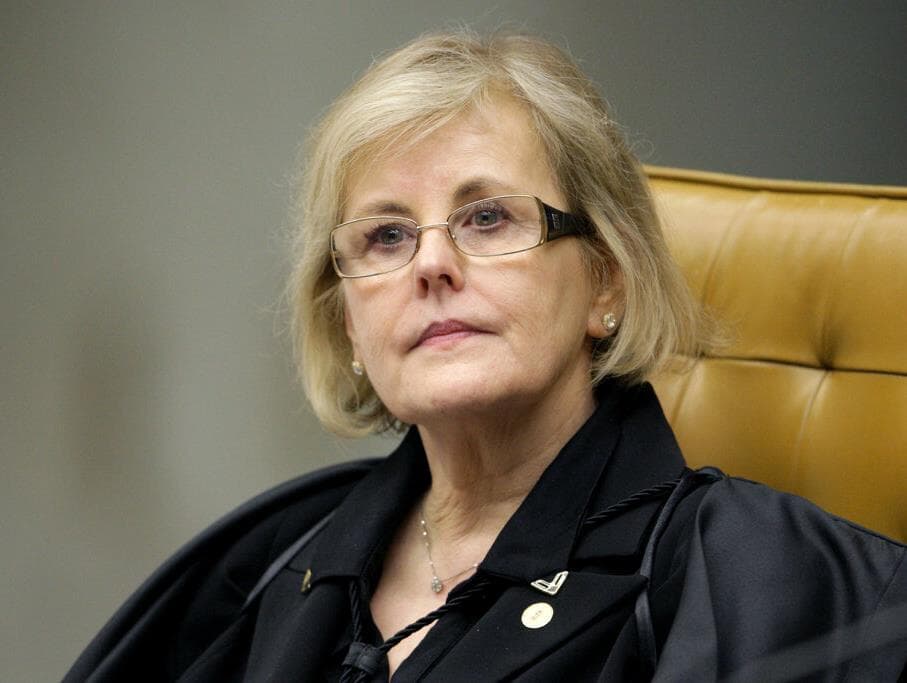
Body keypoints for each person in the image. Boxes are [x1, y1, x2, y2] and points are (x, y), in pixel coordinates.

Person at [65, 30, 906, 682]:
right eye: (386, 235)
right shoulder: (266, 558)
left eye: (487, 218)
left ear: (605, 280)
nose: (430, 264)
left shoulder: (758, 571)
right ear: (348, 320)